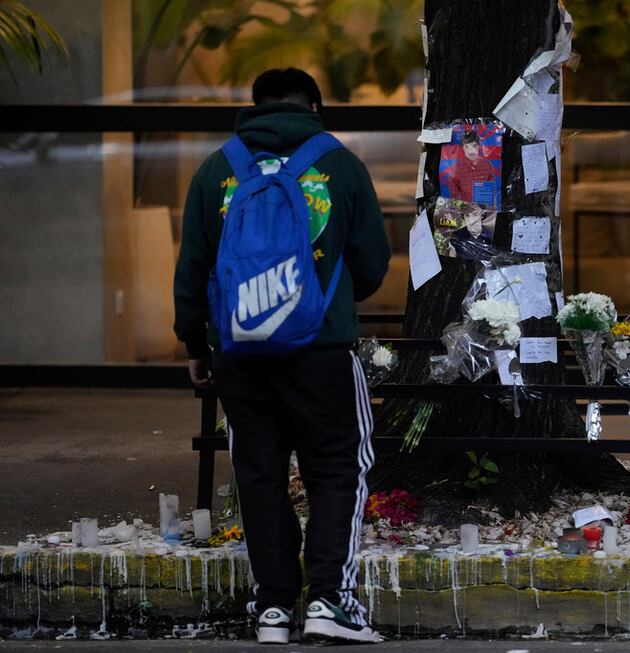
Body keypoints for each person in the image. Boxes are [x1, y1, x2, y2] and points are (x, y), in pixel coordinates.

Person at [173, 68, 390, 645]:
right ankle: (328, 602)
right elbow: (371, 263)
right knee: (339, 469)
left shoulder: (218, 168)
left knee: (260, 475)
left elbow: (192, 267)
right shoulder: (339, 164)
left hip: (240, 355)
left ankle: (272, 609)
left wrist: (197, 344)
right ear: (314, 105)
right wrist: (326, 296)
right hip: (321, 350)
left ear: (255, 106)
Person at [448, 129, 498, 206]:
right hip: (466, 210)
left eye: (474, 146)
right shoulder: (456, 169)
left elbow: (492, 193)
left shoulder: (487, 165)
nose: (471, 151)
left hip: (484, 209)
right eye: (467, 146)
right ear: (463, 148)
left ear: (479, 146)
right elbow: (454, 195)